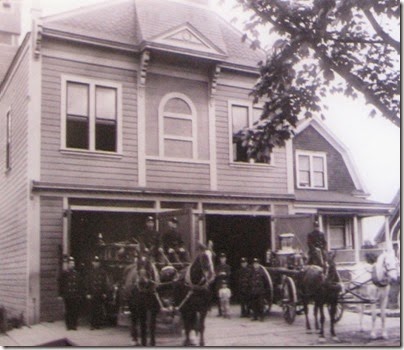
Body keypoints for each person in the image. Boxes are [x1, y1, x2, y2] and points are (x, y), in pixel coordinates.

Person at [58, 256, 82, 330]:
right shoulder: (64, 273)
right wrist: (60, 294)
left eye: (73, 263)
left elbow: (79, 285)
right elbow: (61, 284)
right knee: (68, 311)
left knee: (75, 311)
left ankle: (74, 325)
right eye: (70, 263)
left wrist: (79, 294)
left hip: (75, 295)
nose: (72, 264)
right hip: (68, 295)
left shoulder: (76, 274)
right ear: (68, 264)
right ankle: (69, 326)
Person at [85, 256, 108, 330]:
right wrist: (88, 293)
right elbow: (87, 283)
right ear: (92, 263)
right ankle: (92, 324)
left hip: (99, 293)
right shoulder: (90, 272)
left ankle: (97, 324)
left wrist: (104, 292)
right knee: (92, 310)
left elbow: (104, 283)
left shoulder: (103, 272)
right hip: (92, 293)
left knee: (99, 310)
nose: (96, 263)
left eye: (97, 262)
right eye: (95, 262)